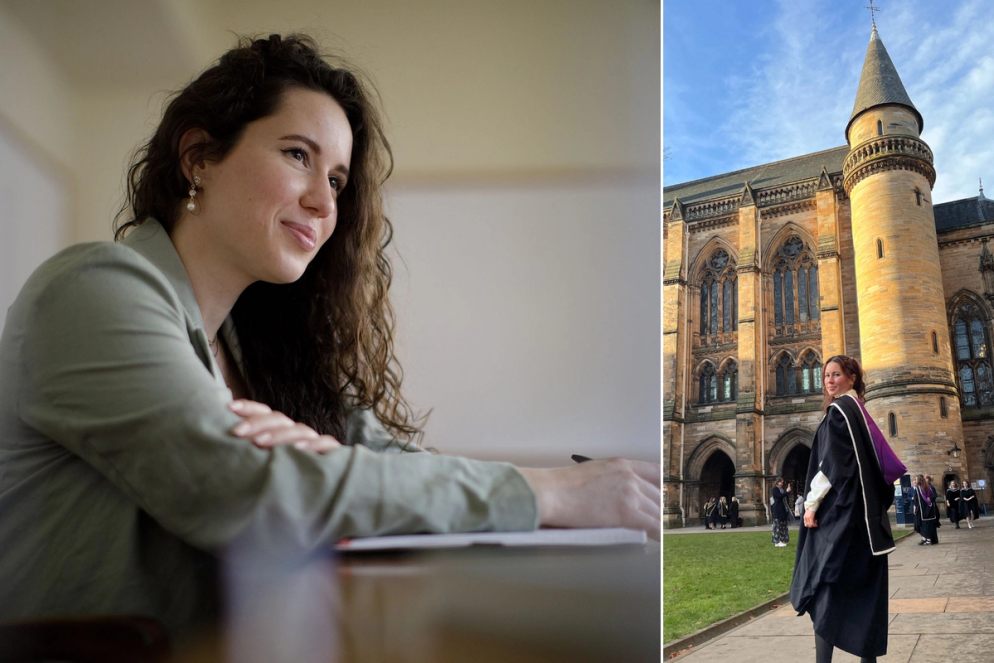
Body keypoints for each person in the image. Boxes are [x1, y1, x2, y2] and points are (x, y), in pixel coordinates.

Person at [0, 35, 661, 639]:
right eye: (298, 155)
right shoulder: (93, 290)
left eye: (338, 180)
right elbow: (250, 493)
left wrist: (324, 465)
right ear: (198, 158)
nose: (324, 202)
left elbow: (388, 463)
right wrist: (551, 492)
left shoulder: (254, 349)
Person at [790, 355, 905, 663]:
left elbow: (829, 467)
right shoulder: (860, 413)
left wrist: (811, 506)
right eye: (827, 375)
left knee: (824, 587)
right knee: (865, 593)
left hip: (840, 517)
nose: (829, 380)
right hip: (865, 520)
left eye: (836, 374)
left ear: (852, 378)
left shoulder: (839, 413)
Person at [913, 473, 939, 545]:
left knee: (925, 524)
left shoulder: (921, 489)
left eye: (916, 479)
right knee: (927, 524)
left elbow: (917, 500)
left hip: (923, 509)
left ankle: (928, 539)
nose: (915, 481)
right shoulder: (925, 488)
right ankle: (926, 539)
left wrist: (915, 506)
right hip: (928, 509)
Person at [771, 478, 791, 547]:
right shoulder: (775, 489)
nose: (782, 484)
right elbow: (779, 496)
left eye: (782, 482)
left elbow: (786, 497)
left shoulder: (782, 489)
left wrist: (788, 492)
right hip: (778, 509)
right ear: (777, 482)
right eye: (781, 482)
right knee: (777, 526)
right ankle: (777, 541)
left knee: (783, 526)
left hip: (783, 509)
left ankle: (782, 540)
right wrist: (786, 492)